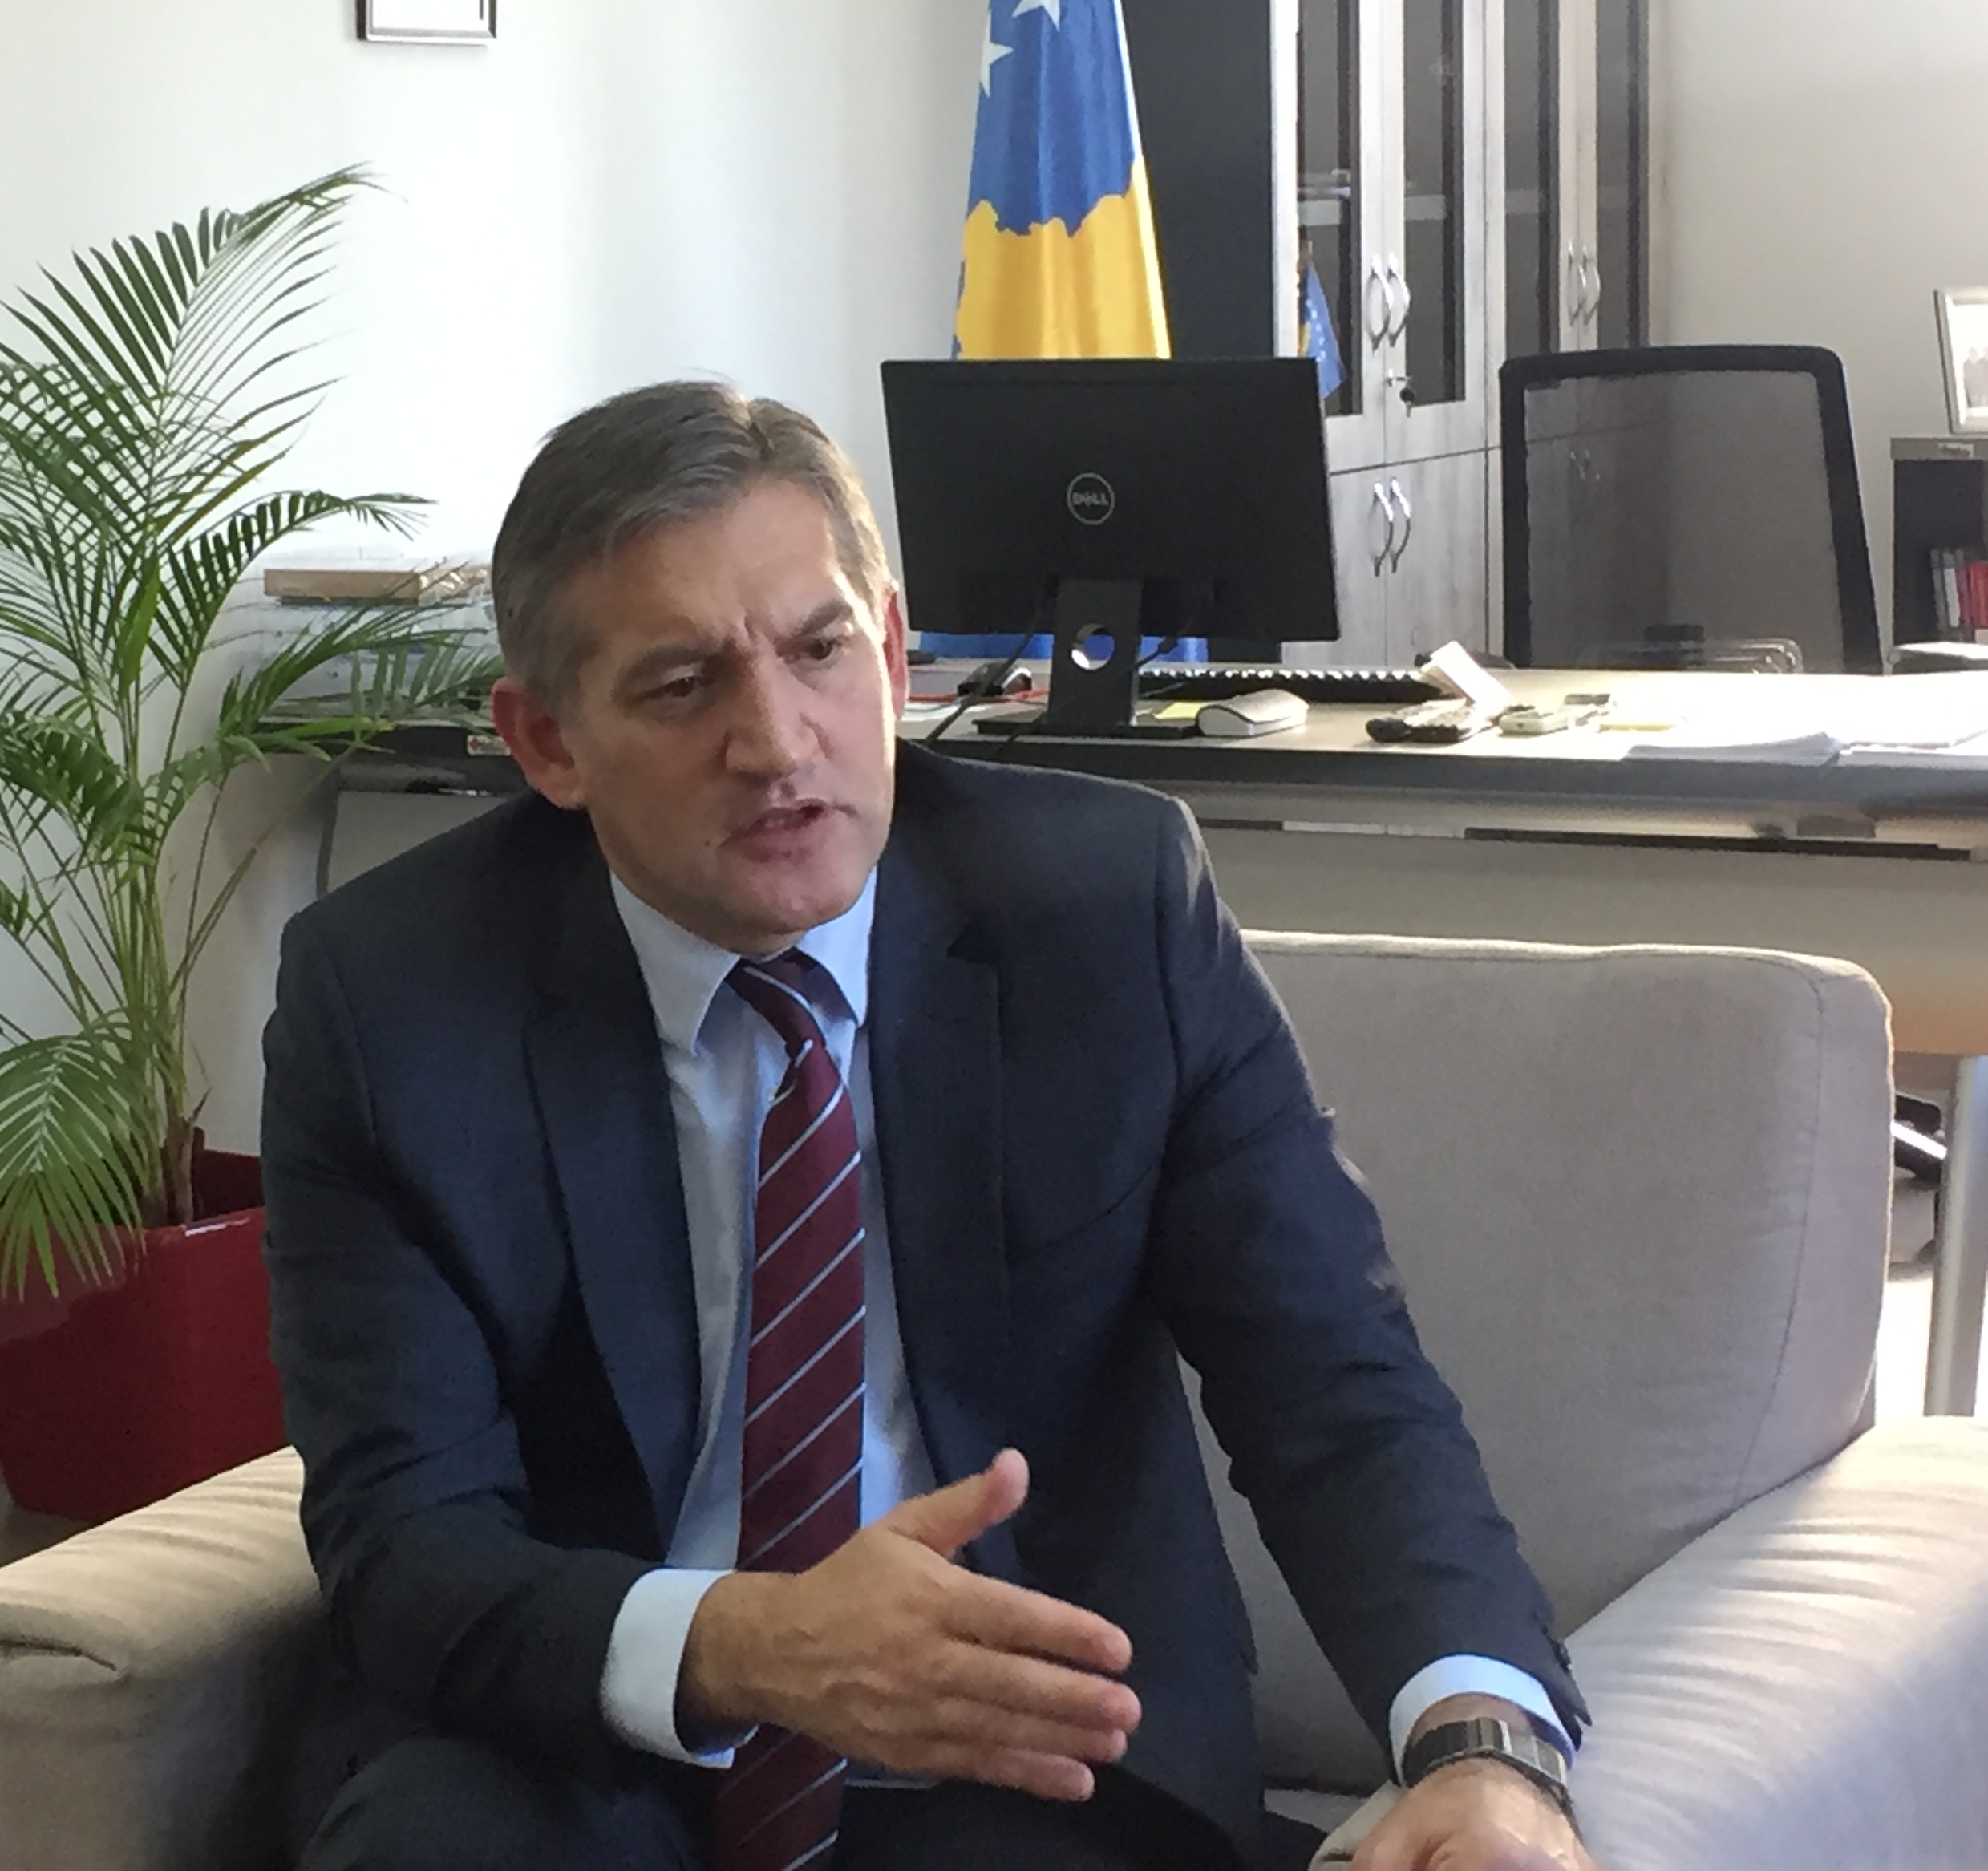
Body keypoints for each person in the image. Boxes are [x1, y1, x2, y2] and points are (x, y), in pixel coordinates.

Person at [260, 382, 1597, 1871]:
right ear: (546, 742)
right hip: (583, 1727)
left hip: (1016, 1732)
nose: (777, 743)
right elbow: (405, 1534)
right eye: (683, 685)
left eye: (820, 650)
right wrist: (750, 1643)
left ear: (893, 653)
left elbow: (1333, 1384)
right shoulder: (389, 1000)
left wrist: (1484, 1744)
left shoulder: (1112, 911)